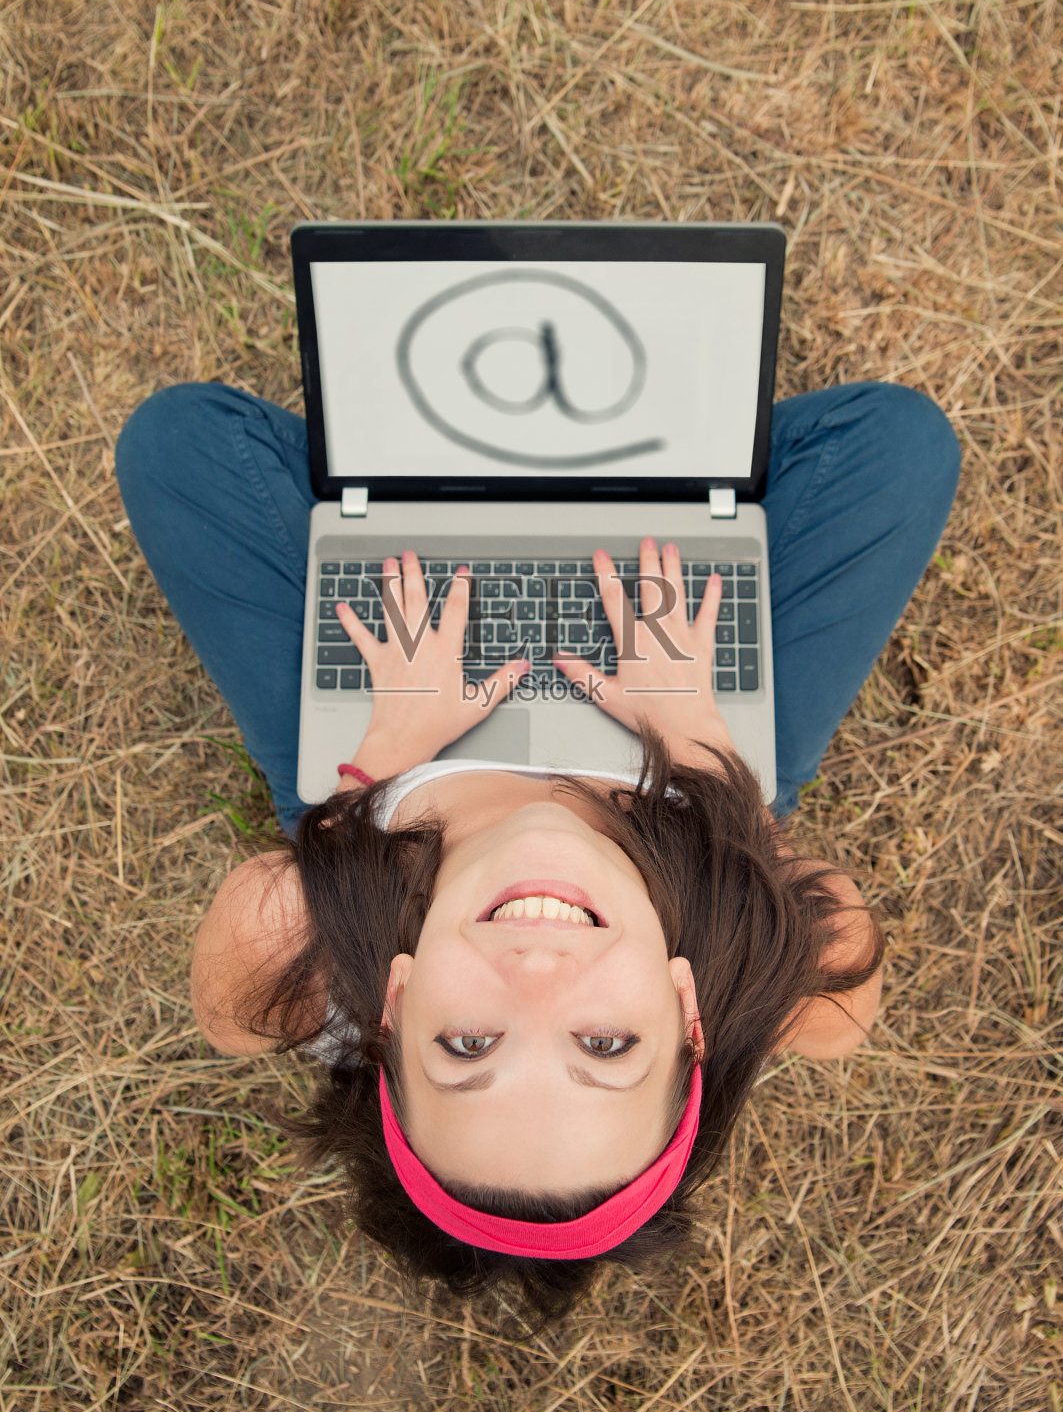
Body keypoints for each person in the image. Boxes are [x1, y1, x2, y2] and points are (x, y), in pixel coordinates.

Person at [115, 377, 960, 1320]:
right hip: (686, 771)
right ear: (687, 1012)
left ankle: (445, 475)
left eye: (468, 1043)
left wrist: (380, 771)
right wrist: (700, 748)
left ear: (392, 1005)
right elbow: (824, 986)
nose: (537, 973)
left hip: (387, 761)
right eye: (603, 1044)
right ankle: (630, 471)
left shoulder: (290, 934)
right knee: (897, 444)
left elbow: (231, 1021)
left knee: (178, 443)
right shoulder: (806, 962)